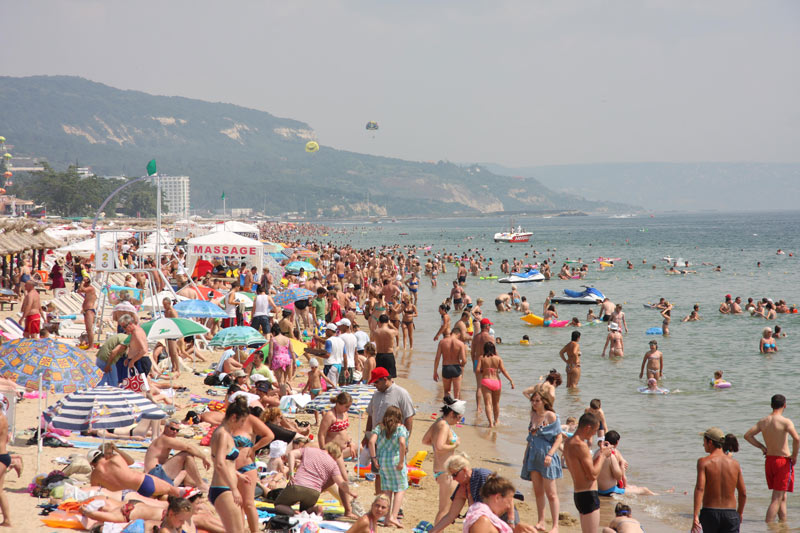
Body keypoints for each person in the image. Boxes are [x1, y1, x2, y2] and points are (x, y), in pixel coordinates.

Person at [743, 394, 799, 523]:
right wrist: (794, 456)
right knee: (777, 498)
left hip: (770, 461)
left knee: (782, 496)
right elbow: (797, 438)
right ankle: (769, 525)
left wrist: (762, 447)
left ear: (771, 405)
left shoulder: (764, 421)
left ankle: (783, 524)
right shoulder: (786, 422)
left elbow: (747, 435)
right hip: (783, 461)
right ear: (785, 405)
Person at [277, 442, 357, 518]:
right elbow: (341, 483)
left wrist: (291, 473)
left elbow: (291, 453)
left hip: (298, 485)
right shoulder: (333, 464)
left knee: (279, 505)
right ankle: (316, 508)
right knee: (306, 509)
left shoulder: (309, 450)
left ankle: (295, 514)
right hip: (314, 492)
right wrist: (351, 493)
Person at [563, 413, 613, 532]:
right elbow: (592, 475)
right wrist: (603, 456)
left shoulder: (568, 443)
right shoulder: (581, 445)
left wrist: (600, 454)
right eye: (595, 431)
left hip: (579, 494)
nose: (594, 434)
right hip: (589, 495)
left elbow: (584, 468)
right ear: (587, 428)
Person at [520, 390, 561, 533]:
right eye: (533, 400)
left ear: (544, 401)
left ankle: (555, 526)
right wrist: (525, 454)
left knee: (551, 493)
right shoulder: (532, 415)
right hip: (533, 455)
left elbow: (559, 438)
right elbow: (530, 437)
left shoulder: (551, 416)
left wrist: (550, 454)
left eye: (537, 400)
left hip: (546, 456)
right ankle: (541, 522)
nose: (534, 403)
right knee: (538, 491)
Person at [692, 427, 746, 533]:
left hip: (710, 513)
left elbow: (700, 489)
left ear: (710, 442)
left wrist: (695, 515)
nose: (703, 444)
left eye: (704, 441)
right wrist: (739, 513)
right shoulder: (735, 464)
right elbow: (743, 492)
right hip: (731, 514)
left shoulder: (703, 462)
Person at [422, 395, 465, 524]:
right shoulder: (444, 426)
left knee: (447, 508)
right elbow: (440, 447)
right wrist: (454, 445)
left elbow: (425, 440)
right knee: (445, 509)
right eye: (459, 418)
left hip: (441, 469)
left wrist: (440, 445)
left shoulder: (438, 422)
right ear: (452, 413)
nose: (459, 421)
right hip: (445, 472)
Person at [208, 396, 248, 533]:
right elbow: (219, 463)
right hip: (224, 489)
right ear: (233, 417)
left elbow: (219, 460)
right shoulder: (223, 434)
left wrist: (237, 475)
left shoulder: (221, 432)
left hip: (222, 488)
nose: (241, 425)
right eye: (241, 421)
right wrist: (234, 489)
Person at [89, 443, 179, 498]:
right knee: (171, 490)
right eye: (108, 453)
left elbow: (95, 492)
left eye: (111, 453)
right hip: (142, 484)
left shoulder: (94, 476)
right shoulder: (116, 459)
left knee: (163, 497)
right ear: (102, 454)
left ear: (92, 463)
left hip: (129, 496)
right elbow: (130, 462)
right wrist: (117, 450)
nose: (110, 455)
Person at [368, 405, 408, 528]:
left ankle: (386, 518)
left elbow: (371, 441)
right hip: (395, 459)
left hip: (383, 461)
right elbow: (402, 443)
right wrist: (401, 461)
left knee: (387, 489)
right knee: (400, 488)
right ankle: (393, 516)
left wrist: (374, 458)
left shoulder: (379, 427)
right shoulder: (401, 428)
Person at [144, 419, 211, 490]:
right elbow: (188, 448)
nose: (175, 432)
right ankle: (201, 485)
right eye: (172, 429)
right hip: (155, 474)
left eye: (177, 430)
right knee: (186, 454)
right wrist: (204, 458)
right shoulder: (165, 439)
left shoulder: (161, 440)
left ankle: (191, 483)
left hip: (155, 475)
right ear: (165, 428)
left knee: (186, 468)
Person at [596, 431, 654, 497]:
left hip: (598, 490)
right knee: (645, 490)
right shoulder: (612, 456)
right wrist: (621, 468)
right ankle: (658, 495)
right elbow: (618, 476)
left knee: (634, 487)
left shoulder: (597, 452)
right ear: (617, 442)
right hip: (609, 491)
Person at [478, 342, 514, 428]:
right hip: (496, 382)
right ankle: (496, 421)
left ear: (484, 349)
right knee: (496, 403)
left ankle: (490, 423)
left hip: (486, 381)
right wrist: (511, 380)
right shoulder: (498, 358)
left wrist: (484, 370)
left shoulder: (482, 358)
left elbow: (477, 370)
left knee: (487, 404)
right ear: (494, 349)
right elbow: (504, 371)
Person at [318, 391, 358, 459]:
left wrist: (350, 443)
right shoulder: (330, 415)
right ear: (338, 404)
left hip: (344, 448)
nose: (348, 409)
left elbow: (344, 432)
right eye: (346, 407)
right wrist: (323, 450)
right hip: (332, 451)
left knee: (362, 448)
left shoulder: (345, 414)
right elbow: (321, 434)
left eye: (349, 407)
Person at [433, 328, 467, 399]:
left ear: (451, 333)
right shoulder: (460, 344)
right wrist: (461, 364)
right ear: (458, 334)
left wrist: (435, 372)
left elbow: (437, 358)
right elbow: (464, 360)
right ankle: (455, 405)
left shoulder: (442, 342)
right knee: (456, 394)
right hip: (456, 368)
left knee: (446, 392)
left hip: (446, 368)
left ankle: (447, 405)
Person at [471, 318, 495, 413]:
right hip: (487, 362)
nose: (490, 327)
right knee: (489, 386)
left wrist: (474, 363)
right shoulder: (490, 338)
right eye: (490, 325)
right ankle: (489, 406)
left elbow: (472, 352)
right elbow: (494, 353)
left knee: (479, 387)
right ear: (487, 327)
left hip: (477, 361)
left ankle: (478, 407)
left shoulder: (475, 337)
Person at [78, 277, 97, 348]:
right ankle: (90, 345)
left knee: (89, 329)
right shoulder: (87, 289)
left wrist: (82, 283)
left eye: (84, 281)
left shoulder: (91, 288)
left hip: (89, 310)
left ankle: (91, 346)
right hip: (86, 310)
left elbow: (82, 290)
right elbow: (79, 291)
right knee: (87, 329)